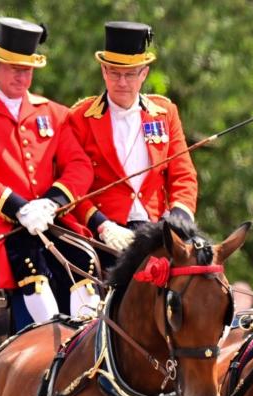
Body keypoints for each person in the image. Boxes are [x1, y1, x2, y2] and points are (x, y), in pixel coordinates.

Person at [0, 17, 97, 327]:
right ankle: (48, 330)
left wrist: (52, 202)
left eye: (27, 70)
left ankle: (86, 332)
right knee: (27, 256)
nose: (22, 77)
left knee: (84, 259)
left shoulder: (54, 113)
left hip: (52, 221)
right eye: (15, 68)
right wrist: (19, 208)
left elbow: (79, 166)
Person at [67, 21, 198, 254]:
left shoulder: (165, 113)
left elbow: (183, 175)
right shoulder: (80, 117)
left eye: (130, 74)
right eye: (115, 73)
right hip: (105, 234)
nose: (122, 82)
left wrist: (177, 219)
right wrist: (102, 225)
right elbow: (71, 183)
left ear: (144, 73)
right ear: (103, 71)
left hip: (156, 229)